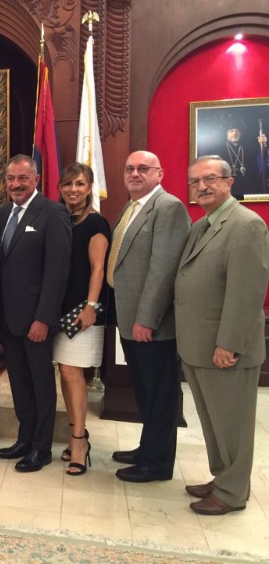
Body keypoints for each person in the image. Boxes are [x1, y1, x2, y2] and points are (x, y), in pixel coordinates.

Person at [176, 155, 269, 515]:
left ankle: (232, 494)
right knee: (214, 422)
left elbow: (247, 292)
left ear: (229, 182)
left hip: (225, 348)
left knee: (232, 424)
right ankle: (223, 478)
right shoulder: (202, 225)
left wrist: (229, 344)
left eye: (210, 179)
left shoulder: (246, 225)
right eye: (195, 181)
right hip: (198, 345)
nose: (202, 186)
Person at [107, 150, 190, 483]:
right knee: (144, 391)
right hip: (129, 317)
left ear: (160, 174)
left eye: (143, 168)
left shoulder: (168, 207)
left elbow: (164, 269)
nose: (135, 173)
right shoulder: (132, 207)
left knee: (160, 394)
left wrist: (147, 319)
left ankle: (157, 464)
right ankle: (147, 449)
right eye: (130, 168)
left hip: (151, 325)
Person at [0, 155, 72, 473]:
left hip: (36, 321)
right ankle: (24, 439)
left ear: (36, 179)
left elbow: (57, 272)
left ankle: (41, 447)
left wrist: (44, 318)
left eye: (23, 178)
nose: (16, 184)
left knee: (41, 385)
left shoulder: (53, 213)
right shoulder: (1, 215)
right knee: (19, 384)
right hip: (8, 320)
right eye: (11, 179)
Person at [53, 163, 110, 476]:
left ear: (89, 188)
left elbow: (98, 268)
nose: (72, 189)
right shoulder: (60, 219)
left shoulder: (95, 223)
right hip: (59, 311)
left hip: (82, 313)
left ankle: (78, 443)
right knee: (65, 374)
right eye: (67, 184)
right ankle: (77, 433)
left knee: (73, 373)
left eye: (79, 184)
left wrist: (90, 306)